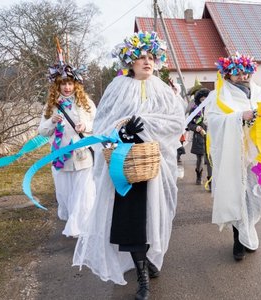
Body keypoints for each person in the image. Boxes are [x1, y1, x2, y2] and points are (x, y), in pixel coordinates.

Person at [72, 31, 185, 300]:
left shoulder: (164, 90)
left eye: (150, 57)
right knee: (132, 220)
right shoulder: (117, 88)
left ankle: (150, 257)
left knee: (156, 214)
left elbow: (175, 123)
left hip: (155, 164)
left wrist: (146, 124)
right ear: (130, 62)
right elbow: (103, 125)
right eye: (140, 58)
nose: (146, 62)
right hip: (126, 164)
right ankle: (141, 274)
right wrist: (121, 133)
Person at [206, 53, 261, 261]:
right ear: (228, 75)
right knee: (236, 197)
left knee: (255, 197)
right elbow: (213, 122)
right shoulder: (219, 96)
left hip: (256, 158)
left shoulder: (260, 92)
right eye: (237, 73)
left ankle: (247, 231)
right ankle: (238, 240)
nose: (242, 76)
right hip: (234, 156)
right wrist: (238, 117)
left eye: (245, 72)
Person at [37, 61, 96, 238]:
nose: (67, 87)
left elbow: (98, 123)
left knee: (83, 194)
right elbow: (42, 131)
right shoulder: (51, 106)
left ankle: (83, 229)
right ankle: (76, 222)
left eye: (70, 83)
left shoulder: (85, 103)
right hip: (61, 157)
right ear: (58, 86)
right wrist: (51, 121)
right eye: (63, 84)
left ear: (75, 84)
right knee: (67, 194)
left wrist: (85, 125)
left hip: (82, 155)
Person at [187, 88, 212, 185]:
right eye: (202, 99)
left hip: (211, 137)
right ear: (198, 100)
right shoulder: (194, 109)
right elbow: (189, 124)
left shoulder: (213, 108)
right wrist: (196, 127)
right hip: (199, 138)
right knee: (200, 159)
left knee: (210, 160)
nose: (204, 101)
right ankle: (199, 175)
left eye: (206, 99)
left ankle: (211, 181)